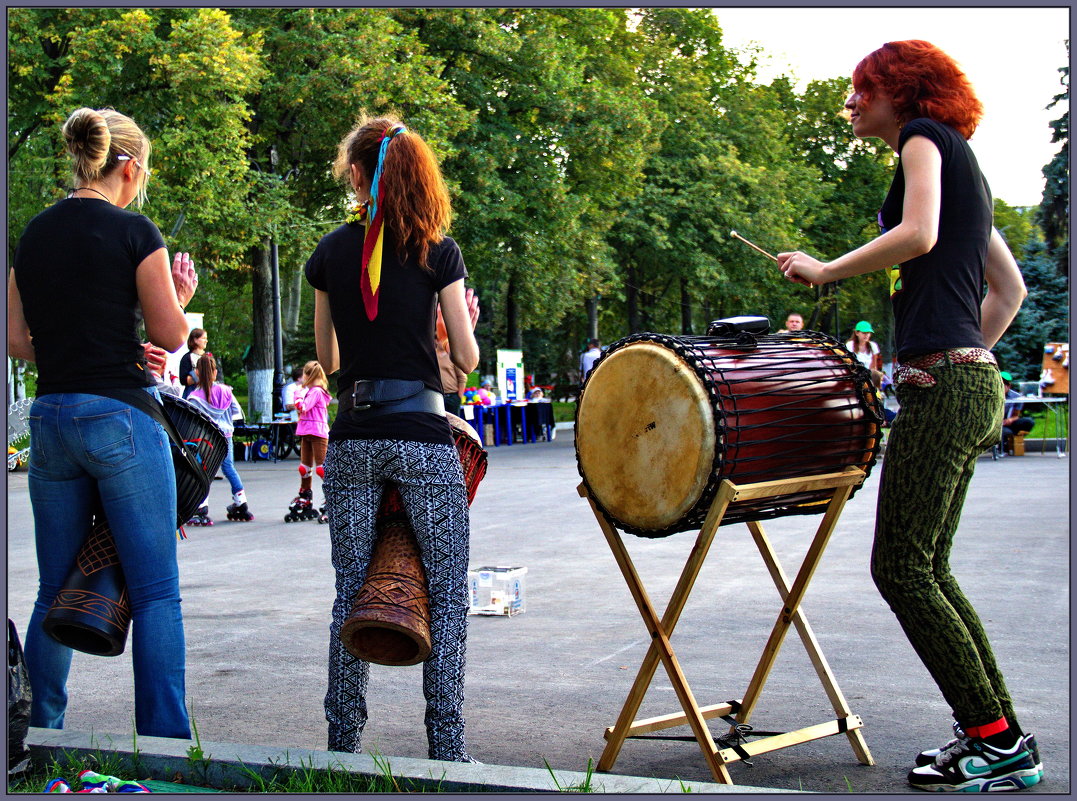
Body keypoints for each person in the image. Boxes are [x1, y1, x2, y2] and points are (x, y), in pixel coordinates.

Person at [776, 41, 1036, 792]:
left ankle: (995, 739)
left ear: (902, 92)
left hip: (945, 388)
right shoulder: (966, 168)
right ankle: (998, 735)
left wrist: (825, 270)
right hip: (968, 383)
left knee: (900, 569)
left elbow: (917, 235)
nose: (851, 102)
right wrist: (965, 356)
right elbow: (1009, 289)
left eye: (863, 89)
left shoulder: (925, 140)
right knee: (927, 568)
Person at [8, 106, 198, 739]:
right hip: (120, 416)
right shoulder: (134, 232)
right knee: (153, 593)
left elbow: (14, 339)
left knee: (51, 589)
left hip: (52, 418)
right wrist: (176, 302)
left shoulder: (31, 235)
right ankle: (165, 744)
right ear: (129, 165)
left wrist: (72, 351)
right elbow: (172, 336)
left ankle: (36, 735)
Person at [305, 114, 480, 761]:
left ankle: (342, 745)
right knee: (447, 591)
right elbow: (464, 357)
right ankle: (447, 749)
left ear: (357, 173)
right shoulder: (439, 250)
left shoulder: (328, 251)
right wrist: (443, 345)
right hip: (421, 438)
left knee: (350, 591)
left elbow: (327, 357)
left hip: (351, 438)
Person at [187, 352, 253, 524]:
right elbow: (237, 413)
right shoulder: (226, 391)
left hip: (206, 439)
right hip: (226, 435)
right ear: (215, 372)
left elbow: (193, 420)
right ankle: (241, 501)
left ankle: (202, 504)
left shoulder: (194, 397)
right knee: (229, 468)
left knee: (204, 470)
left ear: (198, 374)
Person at [287, 360, 332, 523]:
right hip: (306, 431)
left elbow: (303, 407)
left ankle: (332, 496)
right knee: (304, 467)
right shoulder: (312, 391)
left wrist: (297, 395)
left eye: (304, 374)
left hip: (318, 433)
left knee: (321, 468)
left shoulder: (316, 392)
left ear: (308, 375)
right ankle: (305, 494)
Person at [435, 304, 469, 417]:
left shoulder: (452, 355)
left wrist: (459, 396)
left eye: (438, 337)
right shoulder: (432, 355)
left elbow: (462, 377)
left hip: (452, 396)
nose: (437, 340)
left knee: (454, 426)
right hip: (437, 396)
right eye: (435, 337)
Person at [999, 371, 1034, 454]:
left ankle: (1012, 437)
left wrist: (1010, 420)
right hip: (997, 423)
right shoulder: (991, 395)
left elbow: (1016, 415)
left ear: (1009, 386)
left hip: (1009, 421)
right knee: (1004, 432)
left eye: (1005, 385)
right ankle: (1003, 446)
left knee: (1028, 421)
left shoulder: (1016, 396)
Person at [178, 328, 207, 399]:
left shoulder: (208, 357)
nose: (206, 341)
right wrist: (199, 375)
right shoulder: (187, 358)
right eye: (203, 338)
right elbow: (183, 380)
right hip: (192, 394)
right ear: (195, 340)